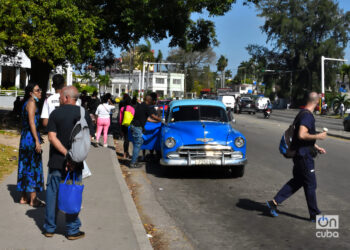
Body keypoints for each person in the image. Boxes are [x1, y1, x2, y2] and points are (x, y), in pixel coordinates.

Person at [267, 92, 327, 221]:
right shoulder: (307, 116)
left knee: (298, 181)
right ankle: (315, 215)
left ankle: (274, 202)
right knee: (311, 184)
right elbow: (301, 135)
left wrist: (316, 147)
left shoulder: (301, 114)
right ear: (317, 103)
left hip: (300, 154)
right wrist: (319, 136)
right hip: (304, 156)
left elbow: (299, 137)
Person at [43, 86, 94, 240]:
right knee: (73, 194)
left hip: (56, 161)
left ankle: (49, 228)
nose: (59, 99)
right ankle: (72, 230)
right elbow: (88, 139)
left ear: (66, 97)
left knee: (52, 194)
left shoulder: (55, 113)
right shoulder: (83, 113)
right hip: (75, 163)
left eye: (60, 97)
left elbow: (52, 137)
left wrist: (66, 155)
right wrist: (73, 158)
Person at [17, 82, 45, 207]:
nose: (40, 92)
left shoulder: (25, 104)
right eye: (37, 90)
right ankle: (33, 199)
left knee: (25, 165)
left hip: (25, 138)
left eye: (40, 90)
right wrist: (37, 140)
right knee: (33, 166)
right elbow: (32, 123)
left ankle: (23, 197)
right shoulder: (32, 103)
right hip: (30, 139)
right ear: (31, 93)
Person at [130, 94, 161, 168]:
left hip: (134, 126)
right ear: (149, 101)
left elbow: (147, 118)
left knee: (137, 144)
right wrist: (160, 120)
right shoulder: (147, 107)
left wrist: (154, 122)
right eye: (151, 101)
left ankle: (134, 160)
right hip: (137, 127)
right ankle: (133, 163)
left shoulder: (140, 105)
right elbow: (153, 116)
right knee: (138, 144)